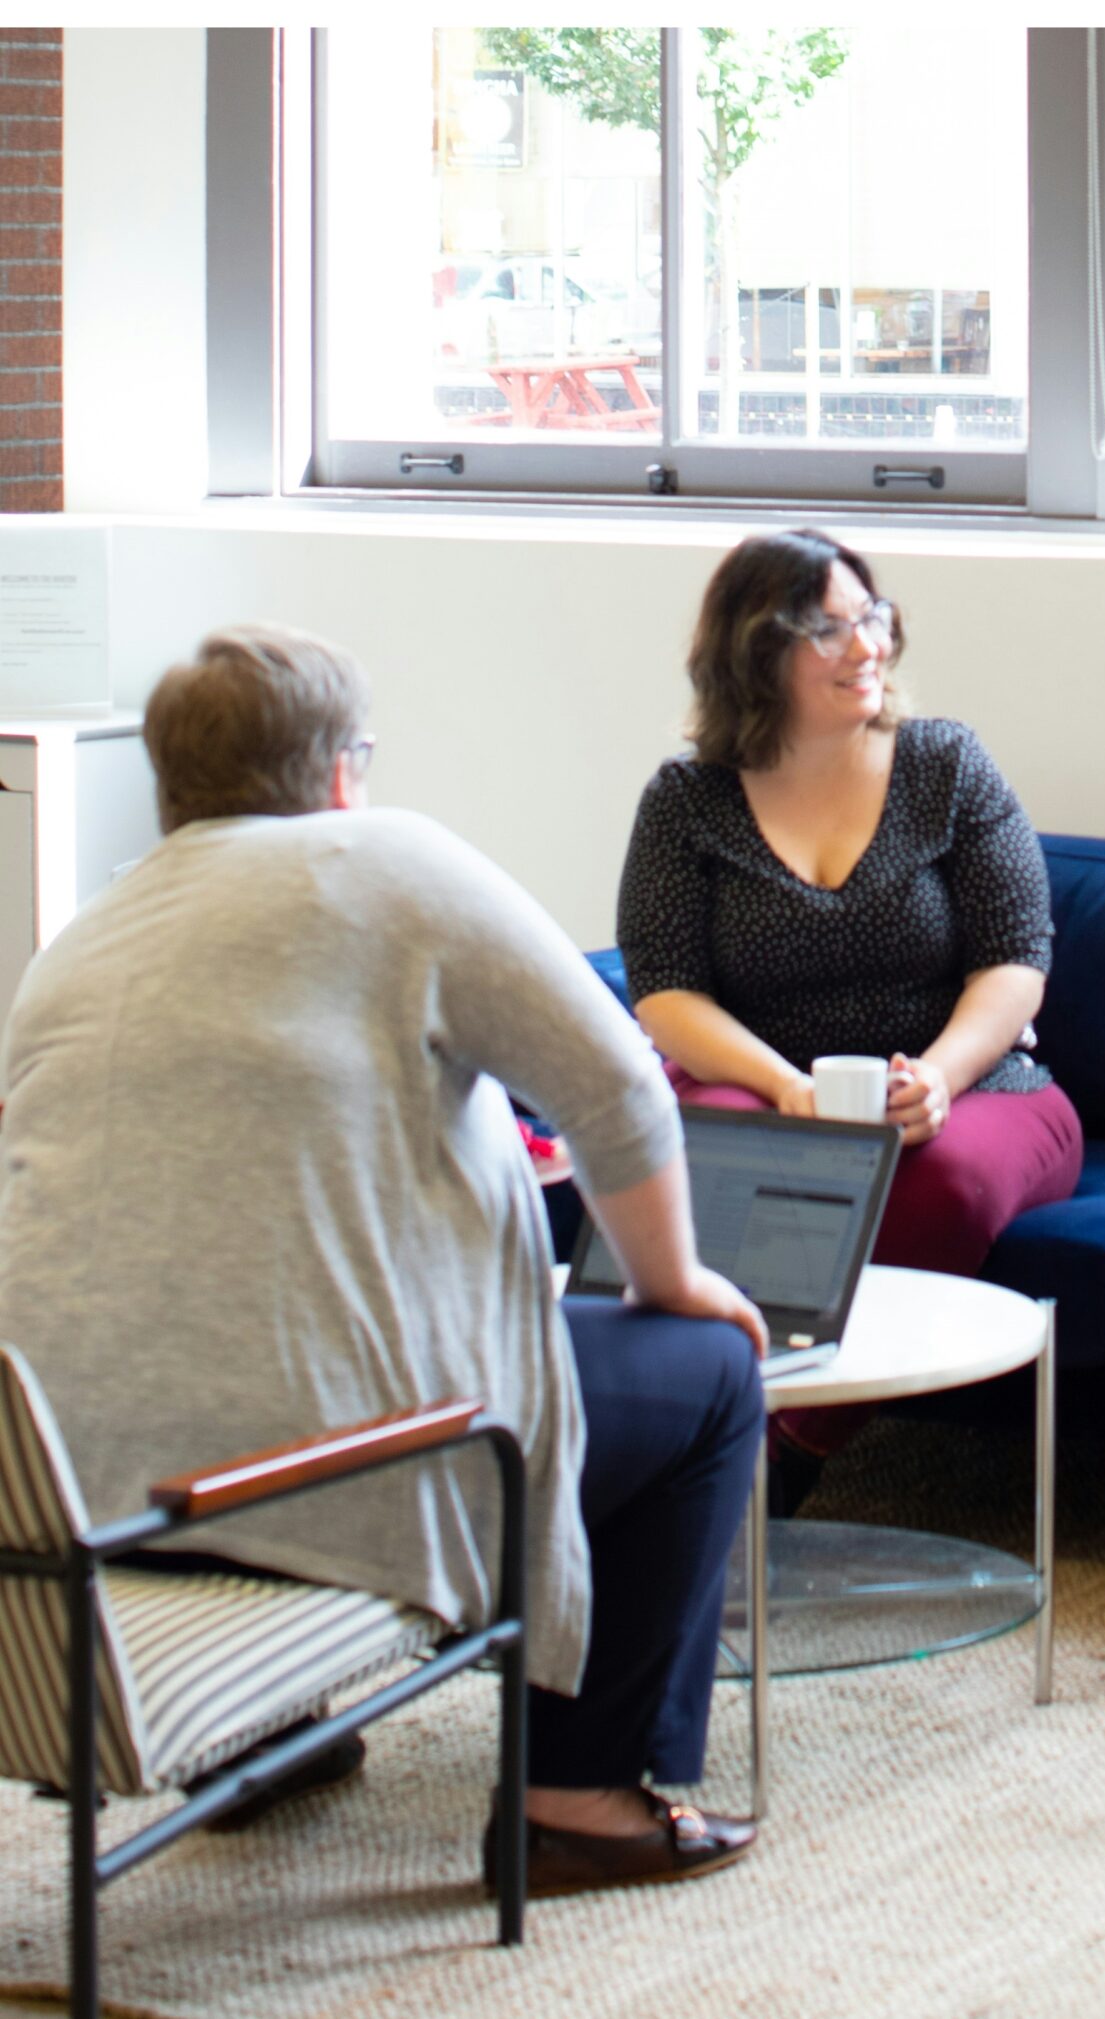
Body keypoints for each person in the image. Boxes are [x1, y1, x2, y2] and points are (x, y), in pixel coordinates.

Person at [0, 626, 769, 1896]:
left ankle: (274, 1736)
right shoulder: (390, 859)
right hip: (317, 1484)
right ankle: (576, 1796)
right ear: (342, 769)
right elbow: (620, 1087)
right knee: (704, 1375)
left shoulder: (87, 934)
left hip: (87, 1494)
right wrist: (673, 1281)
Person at [615, 529, 1084, 1511]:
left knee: (939, 1179)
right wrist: (787, 1088)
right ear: (754, 652)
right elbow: (662, 986)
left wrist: (942, 1078)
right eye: (828, 630)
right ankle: (675, 1421)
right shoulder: (685, 800)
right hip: (758, 1079)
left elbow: (1015, 959)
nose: (867, 647)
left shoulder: (945, 764)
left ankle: (778, 1447)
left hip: (976, 1083)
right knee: (728, 1158)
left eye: (871, 617)